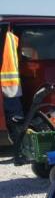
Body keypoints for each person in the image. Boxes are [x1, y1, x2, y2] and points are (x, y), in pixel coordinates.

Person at [1, 29, 26, 163]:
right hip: (13, 82)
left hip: (4, 82)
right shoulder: (12, 37)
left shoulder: (3, 36)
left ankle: (21, 150)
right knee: (16, 118)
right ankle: (21, 149)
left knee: (14, 118)